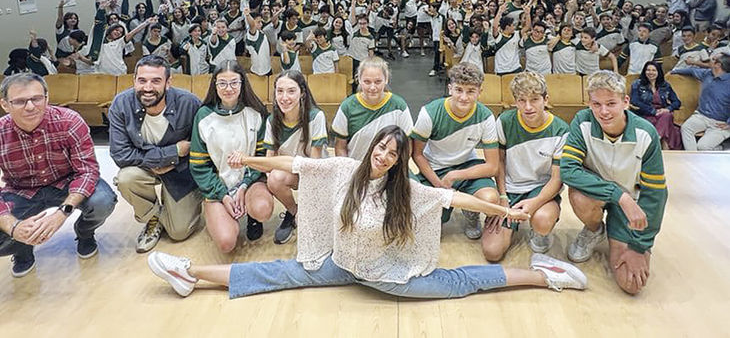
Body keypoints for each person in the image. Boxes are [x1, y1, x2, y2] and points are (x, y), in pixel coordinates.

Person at [148, 126, 587, 299]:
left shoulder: (407, 192)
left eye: (393, 153)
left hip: (386, 276)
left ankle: (545, 274)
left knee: (460, 283)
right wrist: (252, 162)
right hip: (342, 262)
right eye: (381, 147)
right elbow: (293, 164)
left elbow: (454, 200)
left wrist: (508, 211)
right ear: (372, 148)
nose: (384, 155)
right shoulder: (342, 170)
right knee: (279, 273)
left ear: (398, 160)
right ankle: (190, 273)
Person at [561, 70, 668, 295]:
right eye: (596, 104)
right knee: (578, 196)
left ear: (625, 102)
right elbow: (568, 171)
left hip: (631, 206)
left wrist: (639, 246)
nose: (604, 111)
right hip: (602, 196)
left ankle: (618, 232)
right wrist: (619, 195)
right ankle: (594, 229)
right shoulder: (582, 122)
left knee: (631, 284)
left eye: (611, 103)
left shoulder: (645, 133)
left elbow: (655, 194)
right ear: (589, 103)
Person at [0, 73, 117, 277]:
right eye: (19, 101)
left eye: (36, 99)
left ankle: (85, 233)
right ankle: (22, 248)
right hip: (20, 191)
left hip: (66, 182)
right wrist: (13, 226)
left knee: (103, 200)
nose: (30, 107)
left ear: (47, 98)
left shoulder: (69, 121)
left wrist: (64, 212)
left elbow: (87, 170)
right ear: (5, 105)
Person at [109, 55, 203, 253]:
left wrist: (175, 160)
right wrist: (173, 151)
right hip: (146, 167)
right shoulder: (120, 104)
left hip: (180, 170)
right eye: (142, 80)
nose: (148, 87)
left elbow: (202, 147)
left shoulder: (190, 103)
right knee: (126, 178)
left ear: (168, 83)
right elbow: (120, 154)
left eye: (156, 81)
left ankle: (182, 206)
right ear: (134, 81)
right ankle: (153, 218)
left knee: (179, 232)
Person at [481, 72, 569, 262]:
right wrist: (503, 198)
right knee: (492, 252)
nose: (528, 107)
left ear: (546, 99)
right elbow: (500, 163)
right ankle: (510, 222)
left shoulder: (561, 130)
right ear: (515, 101)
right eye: (522, 100)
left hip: (540, 190)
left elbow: (556, 179)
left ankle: (539, 231)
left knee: (542, 222)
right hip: (511, 190)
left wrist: (533, 204)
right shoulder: (505, 121)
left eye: (534, 100)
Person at [189, 61, 272, 252]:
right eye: (222, 83)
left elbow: (261, 156)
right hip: (218, 186)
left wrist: (244, 185)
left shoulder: (256, 112)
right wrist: (223, 195)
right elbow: (199, 166)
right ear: (214, 85)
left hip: (250, 182)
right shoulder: (203, 116)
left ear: (242, 83)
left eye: (234, 82)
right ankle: (219, 214)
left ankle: (252, 214)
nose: (228, 88)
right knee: (226, 243)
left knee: (263, 209)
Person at [410, 62, 499, 240]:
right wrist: (439, 185)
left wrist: (455, 176)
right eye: (459, 90)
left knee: (490, 198)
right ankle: (444, 210)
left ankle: (471, 212)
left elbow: (492, 166)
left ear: (480, 92)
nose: (464, 97)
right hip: (435, 169)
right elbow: (417, 154)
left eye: (470, 91)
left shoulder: (486, 116)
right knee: (428, 232)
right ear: (450, 89)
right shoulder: (430, 112)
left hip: (467, 166)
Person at [264, 71, 328, 244]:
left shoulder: (316, 117)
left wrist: (307, 211)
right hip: (291, 172)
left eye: (291, 91)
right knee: (274, 178)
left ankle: (307, 212)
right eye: (280, 91)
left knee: (317, 233)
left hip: (317, 176)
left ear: (302, 93)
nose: (285, 97)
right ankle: (292, 211)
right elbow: (269, 160)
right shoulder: (272, 121)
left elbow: (314, 166)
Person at [332, 57, 412, 160]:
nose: (373, 87)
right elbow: (340, 147)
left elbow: (407, 145)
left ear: (386, 79)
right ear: (359, 80)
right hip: (356, 168)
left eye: (378, 82)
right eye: (367, 82)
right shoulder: (347, 107)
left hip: (388, 168)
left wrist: (395, 169)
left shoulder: (399, 106)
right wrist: (349, 171)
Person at [672, 53, 730, 151]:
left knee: (702, 146)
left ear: (718, 65)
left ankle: (722, 149)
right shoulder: (707, 74)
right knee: (686, 128)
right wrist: (674, 71)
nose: (708, 61)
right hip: (701, 116)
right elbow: (692, 70)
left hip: (720, 123)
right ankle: (692, 159)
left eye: (712, 59)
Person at [630, 61, 682, 150]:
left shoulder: (665, 85)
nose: (651, 72)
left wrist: (668, 109)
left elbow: (677, 102)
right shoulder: (637, 84)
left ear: (658, 72)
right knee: (668, 122)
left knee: (667, 115)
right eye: (648, 70)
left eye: (654, 70)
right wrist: (653, 111)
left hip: (662, 114)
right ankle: (664, 147)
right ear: (644, 71)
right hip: (646, 114)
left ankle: (655, 140)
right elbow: (635, 101)